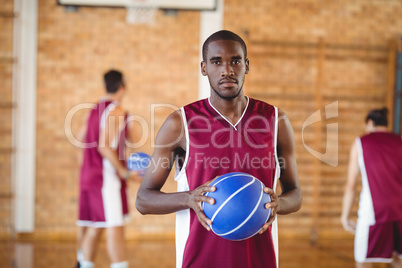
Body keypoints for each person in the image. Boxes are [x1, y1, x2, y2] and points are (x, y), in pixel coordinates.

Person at [135, 30, 302, 268]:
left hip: (259, 260)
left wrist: (279, 204)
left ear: (247, 65)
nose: (227, 70)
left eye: (235, 61)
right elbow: (143, 199)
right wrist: (189, 198)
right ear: (204, 68)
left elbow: (295, 194)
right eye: (216, 62)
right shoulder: (180, 123)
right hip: (199, 260)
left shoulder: (276, 121)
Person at [76, 70, 142, 268]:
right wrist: (125, 173)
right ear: (121, 88)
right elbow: (104, 146)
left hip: (90, 175)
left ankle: (83, 264)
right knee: (114, 226)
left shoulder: (93, 110)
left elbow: (81, 140)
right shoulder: (117, 110)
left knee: (96, 226)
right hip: (105, 179)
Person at [341, 108, 402, 268]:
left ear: (370, 123)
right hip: (399, 211)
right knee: (395, 259)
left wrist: (345, 217)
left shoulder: (361, 143)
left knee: (363, 260)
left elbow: (351, 185)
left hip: (373, 213)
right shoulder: (400, 141)